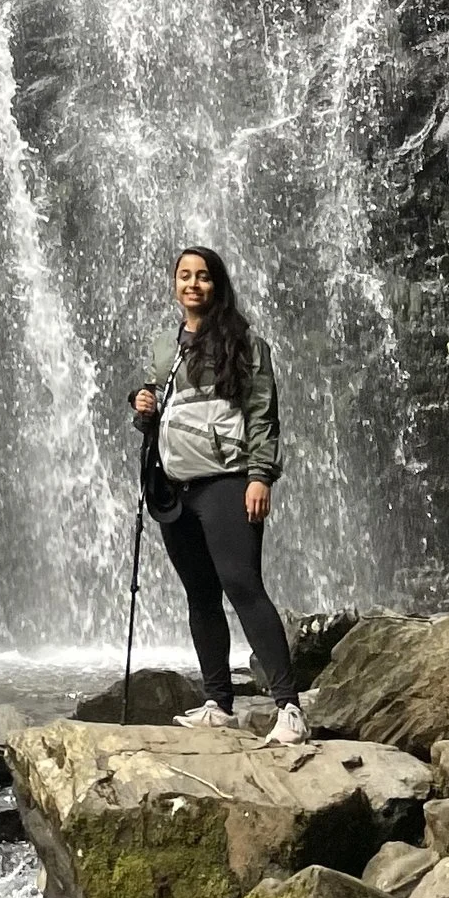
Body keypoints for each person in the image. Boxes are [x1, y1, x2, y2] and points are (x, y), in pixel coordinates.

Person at [131, 245, 310, 746]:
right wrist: (141, 404)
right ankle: (218, 703)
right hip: (174, 486)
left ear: (217, 285)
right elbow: (161, 414)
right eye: (184, 276)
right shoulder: (164, 345)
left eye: (203, 277)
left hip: (228, 481)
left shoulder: (246, 344)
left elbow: (262, 413)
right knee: (200, 595)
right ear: (175, 284)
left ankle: (289, 708)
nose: (193, 284)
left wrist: (260, 476)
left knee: (243, 585)